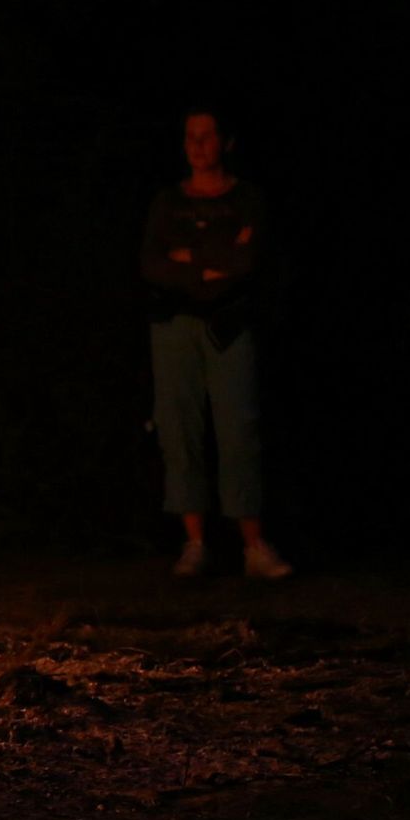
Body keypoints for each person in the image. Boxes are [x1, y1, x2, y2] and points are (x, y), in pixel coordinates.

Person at [140, 110, 292, 579]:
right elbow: (152, 264)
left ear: (226, 142)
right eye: (191, 136)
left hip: (228, 323)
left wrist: (189, 257)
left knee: (238, 429)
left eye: (206, 136)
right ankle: (195, 543)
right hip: (175, 324)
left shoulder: (246, 199)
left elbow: (244, 261)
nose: (197, 144)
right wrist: (210, 264)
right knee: (178, 427)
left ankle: (253, 545)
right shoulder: (168, 202)